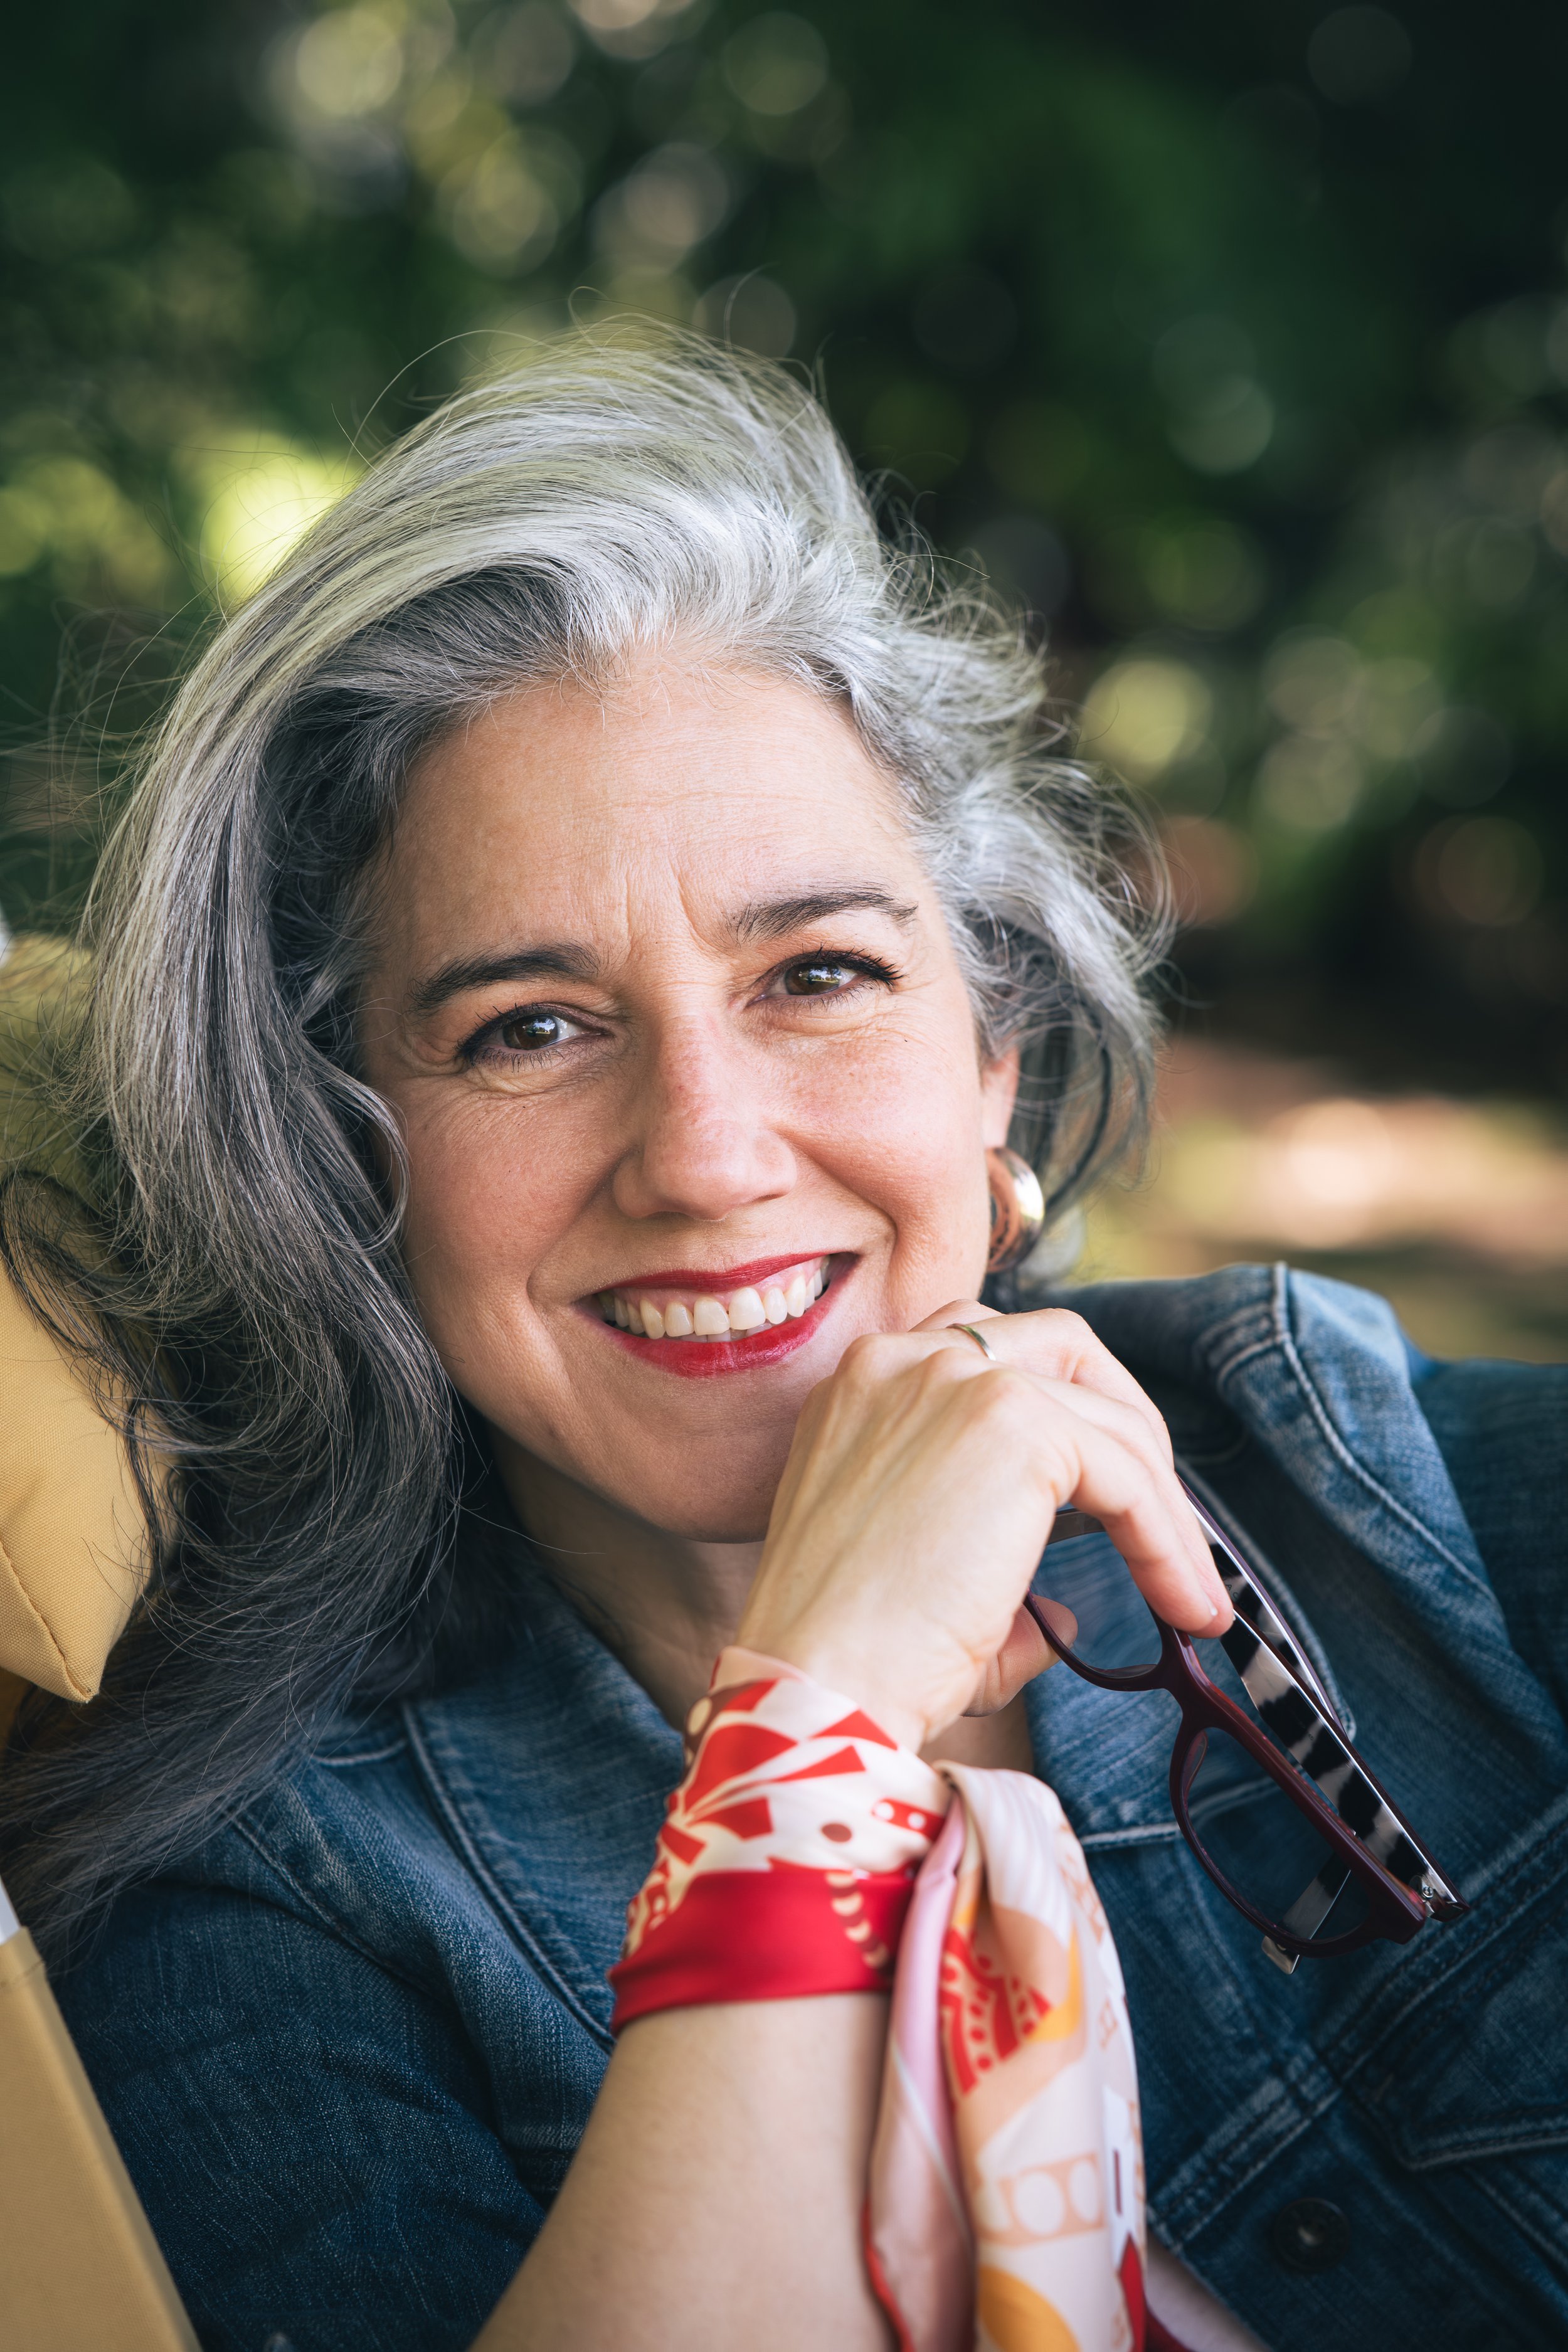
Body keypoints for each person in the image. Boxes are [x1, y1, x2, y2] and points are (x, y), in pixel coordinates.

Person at [0, 332, 1564, 2352]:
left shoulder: (1405, 1507)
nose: (708, 1156)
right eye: (527, 1029)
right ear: (337, 1157)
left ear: (991, 1049)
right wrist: (814, 1737)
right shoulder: (266, 1904)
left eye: (818, 973)